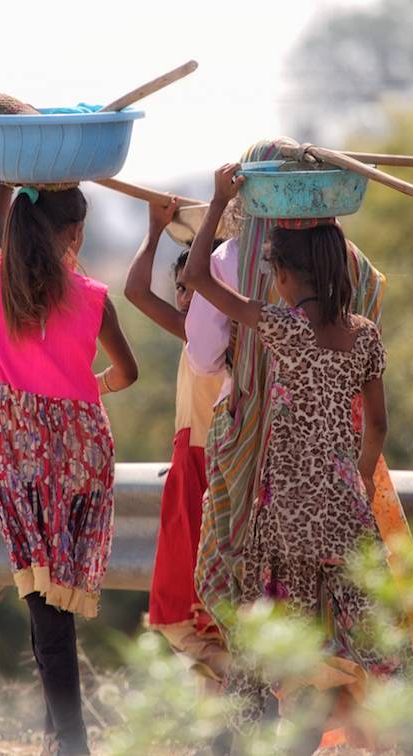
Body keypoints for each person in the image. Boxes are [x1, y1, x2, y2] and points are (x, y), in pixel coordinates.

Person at [185, 161, 406, 754]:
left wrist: (215, 203)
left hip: (283, 519)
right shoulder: (365, 336)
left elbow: (199, 277)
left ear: (280, 273)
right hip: (345, 519)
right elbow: (378, 424)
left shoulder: (282, 328)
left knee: (280, 654)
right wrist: (354, 480)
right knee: (381, 645)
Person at [0, 182, 138, 756]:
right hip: (80, 452)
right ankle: (61, 739)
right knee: (50, 593)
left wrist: (4, 176)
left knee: (42, 595)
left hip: (19, 448)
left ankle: (71, 743)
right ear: (75, 234)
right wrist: (88, 388)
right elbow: (127, 372)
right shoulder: (94, 297)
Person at [123, 196, 228, 697]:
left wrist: (155, 229)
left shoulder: (231, 338)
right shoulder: (197, 336)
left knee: (199, 606)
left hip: (212, 465)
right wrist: (156, 230)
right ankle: (223, 727)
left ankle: (234, 707)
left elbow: (134, 292)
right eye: (182, 290)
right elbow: (137, 291)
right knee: (196, 606)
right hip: (192, 462)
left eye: (196, 288)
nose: (187, 299)